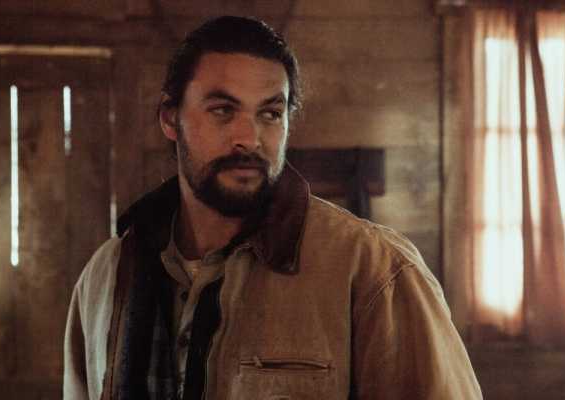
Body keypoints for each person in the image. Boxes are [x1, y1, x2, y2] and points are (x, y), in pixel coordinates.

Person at [63, 15, 482, 400]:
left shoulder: (373, 269)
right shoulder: (108, 274)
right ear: (171, 119)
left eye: (270, 113)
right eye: (223, 111)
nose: (249, 138)